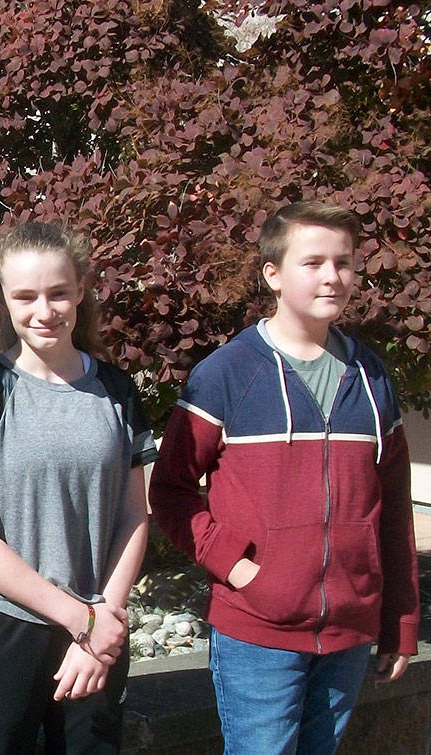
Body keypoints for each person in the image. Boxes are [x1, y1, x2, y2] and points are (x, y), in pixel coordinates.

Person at [150, 200, 418, 754]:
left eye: (343, 262)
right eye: (312, 262)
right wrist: (240, 568)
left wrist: (400, 622)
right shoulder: (226, 375)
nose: (332, 276)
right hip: (258, 631)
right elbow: (171, 491)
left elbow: (393, 508)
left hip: (349, 631)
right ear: (273, 274)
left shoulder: (371, 378)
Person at [0, 222, 154, 753]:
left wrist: (102, 619)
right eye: (26, 297)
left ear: (81, 290)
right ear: (3, 300)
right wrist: (80, 619)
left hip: (100, 623)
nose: (45, 311)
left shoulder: (116, 391)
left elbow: (134, 516)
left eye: (58, 293)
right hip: (7, 625)